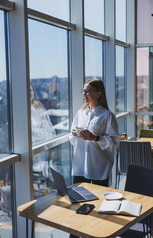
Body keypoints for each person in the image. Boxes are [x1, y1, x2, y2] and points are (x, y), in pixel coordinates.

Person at [69, 79, 120, 238]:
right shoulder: (80, 113)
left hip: (98, 167)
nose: (84, 94)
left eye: (87, 91)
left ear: (99, 93)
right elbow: (72, 139)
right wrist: (74, 134)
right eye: (83, 91)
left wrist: (96, 138)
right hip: (79, 166)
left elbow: (115, 144)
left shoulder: (107, 115)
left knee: (98, 208)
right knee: (78, 205)